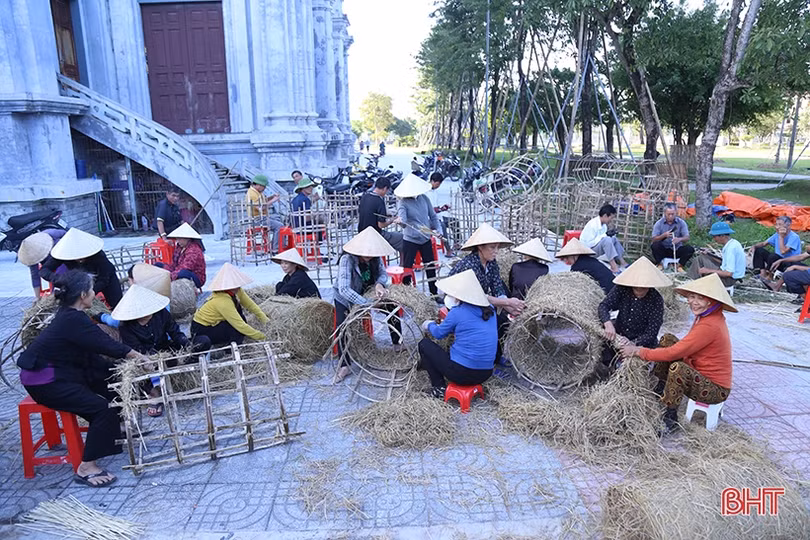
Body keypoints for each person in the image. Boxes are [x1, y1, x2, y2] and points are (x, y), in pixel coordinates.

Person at [17, 270, 146, 487]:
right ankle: (86, 467)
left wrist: (118, 366)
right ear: (83, 295)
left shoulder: (69, 315)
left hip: (62, 371)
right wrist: (136, 355)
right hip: (45, 382)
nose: (95, 293)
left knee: (110, 378)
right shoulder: (72, 319)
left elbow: (91, 352)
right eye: (92, 289)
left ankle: (117, 431)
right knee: (101, 408)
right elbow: (104, 344)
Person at [620, 273, 735, 434]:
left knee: (677, 368)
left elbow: (673, 354)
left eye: (700, 299)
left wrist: (639, 351)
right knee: (667, 339)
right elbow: (681, 348)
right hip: (699, 371)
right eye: (691, 297)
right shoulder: (708, 315)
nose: (693, 303)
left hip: (715, 389)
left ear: (711, 301)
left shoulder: (710, 325)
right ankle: (660, 391)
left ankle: (670, 418)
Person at [113, 285, 211, 417]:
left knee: (203, 341)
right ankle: (155, 393)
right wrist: (155, 358)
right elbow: (136, 349)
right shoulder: (126, 326)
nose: (147, 314)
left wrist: (186, 345)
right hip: (145, 357)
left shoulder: (161, 314)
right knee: (131, 366)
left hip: (166, 349)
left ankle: (184, 373)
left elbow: (175, 332)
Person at [449, 223, 524, 364]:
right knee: (488, 322)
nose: (496, 251)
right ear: (480, 247)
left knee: (503, 320)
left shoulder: (491, 262)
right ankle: (483, 360)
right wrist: (508, 302)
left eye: (497, 247)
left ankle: (496, 356)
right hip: (460, 301)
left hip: (479, 300)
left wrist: (512, 308)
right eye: (492, 247)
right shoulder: (470, 265)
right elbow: (475, 295)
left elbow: (497, 286)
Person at [333, 227, 400, 382]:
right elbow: (344, 289)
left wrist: (379, 284)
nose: (370, 255)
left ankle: (397, 342)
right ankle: (344, 365)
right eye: (367, 252)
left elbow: (383, 274)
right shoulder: (347, 260)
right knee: (341, 326)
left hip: (367, 291)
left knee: (391, 306)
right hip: (347, 297)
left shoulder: (375, 258)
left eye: (372, 252)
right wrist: (367, 304)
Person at [418, 270, 497, 398]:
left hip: (462, 374)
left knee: (424, 344)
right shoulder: (491, 310)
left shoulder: (457, 312)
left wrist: (428, 324)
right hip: (486, 373)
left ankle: (438, 387)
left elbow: (438, 334)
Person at [598, 257, 669, 374]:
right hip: (620, 334)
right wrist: (608, 323)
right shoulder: (622, 289)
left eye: (643, 288)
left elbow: (652, 332)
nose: (639, 291)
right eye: (636, 288)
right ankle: (608, 366)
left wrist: (633, 344)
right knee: (602, 340)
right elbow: (604, 306)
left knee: (632, 370)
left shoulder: (656, 300)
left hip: (641, 341)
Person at [39, 228, 123, 307]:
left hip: (102, 278)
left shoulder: (98, 255)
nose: (80, 259)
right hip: (79, 280)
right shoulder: (63, 253)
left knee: (116, 303)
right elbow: (44, 271)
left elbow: (104, 279)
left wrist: (91, 292)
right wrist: (60, 279)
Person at [191, 263, 269, 346]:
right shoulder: (222, 301)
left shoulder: (236, 290)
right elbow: (240, 325)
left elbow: (250, 305)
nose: (238, 286)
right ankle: (230, 349)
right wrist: (262, 336)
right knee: (236, 329)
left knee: (241, 317)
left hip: (215, 323)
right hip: (202, 329)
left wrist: (264, 319)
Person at [395, 174, 442, 295]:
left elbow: (433, 216)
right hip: (410, 240)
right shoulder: (403, 203)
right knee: (407, 268)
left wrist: (438, 230)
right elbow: (404, 221)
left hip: (425, 238)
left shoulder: (424, 199)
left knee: (430, 266)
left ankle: (434, 293)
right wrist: (400, 222)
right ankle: (408, 295)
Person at [686, 221, 745, 288]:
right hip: (728, 275)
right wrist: (709, 255)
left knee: (698, 260)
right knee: (702, 258)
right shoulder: (732, 243)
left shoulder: (731, 249)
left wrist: (708, 271)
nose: (714, 239)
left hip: (729, 280)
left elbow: (728, 273)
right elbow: (724, 262)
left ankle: (693, 283)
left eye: (715, 236)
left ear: (722, 236)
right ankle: (695, 281)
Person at [357, 177, 404, 253]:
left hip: (361, 232)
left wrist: (386, 214)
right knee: (401, 238)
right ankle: (403, 263)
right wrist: (392, 220)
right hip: (374, 235)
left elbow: (369, 212)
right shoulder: (379, 201)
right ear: (385, 188)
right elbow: (381, 225)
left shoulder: (365, 197)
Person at [18, 229, 67, 297]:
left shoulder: (51, 234)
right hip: (51, 266)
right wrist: (37, 297)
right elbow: (35, 276)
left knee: (60, 274)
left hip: (65, 257)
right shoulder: (32, 256)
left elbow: (68, 235)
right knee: (46, 273)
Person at [580, 204, 627, 273]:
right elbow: (588, 244)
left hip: (596, 247)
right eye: (611, 218)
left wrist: (607, 235)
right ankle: (614, 267)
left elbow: (602, 237)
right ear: (605, 216)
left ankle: (622, 262)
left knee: (613, 239)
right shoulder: (592, 225)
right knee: (607, 240)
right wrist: (604, 236)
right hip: (587, 251)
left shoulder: (604, 225)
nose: (611, 220)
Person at [246, 174, 283, 254]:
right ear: (258, 185)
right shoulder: (252, 193)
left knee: (278, 218)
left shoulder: (257, 192)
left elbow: (264, 200)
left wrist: (272, 197)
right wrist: (274, 200)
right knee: (279, 226)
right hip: (257, 219)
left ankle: (278, 243)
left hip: (263, 217)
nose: (264, 188)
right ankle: (275, 248)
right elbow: (260, 207)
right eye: (264, 186)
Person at [160, 223, 206, 287]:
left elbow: (186, 267)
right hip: (178, 270)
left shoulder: (194, 250)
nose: (178, 241)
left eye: (180, 239)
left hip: (195, 276)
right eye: (177, 239)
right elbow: (174, 264)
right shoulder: (179, 247)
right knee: (159, 266)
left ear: (187, 238)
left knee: (182, 273)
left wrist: (170, 276)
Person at [650, 202, 694, 270]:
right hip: (664, 249)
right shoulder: (659, 223)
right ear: (665, 213)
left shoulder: (681, 223)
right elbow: (653, 239)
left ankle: (679, 265)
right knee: (655, 245)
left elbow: (687, 237)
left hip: (676, 249)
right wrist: (663, 235)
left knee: (689, 249)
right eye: (668, 214)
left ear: (676, 213)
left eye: (672, 214)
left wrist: (679, 239)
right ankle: (660, 264)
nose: (671, 216)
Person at [426, 172, 451, 240]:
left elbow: (436, 207)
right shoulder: (425, 192)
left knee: (454, 221)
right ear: (432, 181)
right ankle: (447, 248)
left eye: (439, 185)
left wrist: (442, 208)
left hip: (438, 217)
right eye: (437, 184)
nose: (438, 186)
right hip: (429, 219)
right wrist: (440, 209)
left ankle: (457, 243)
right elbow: (429, 210)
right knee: (442, 226)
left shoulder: (435, 192)